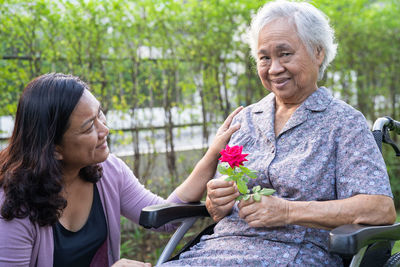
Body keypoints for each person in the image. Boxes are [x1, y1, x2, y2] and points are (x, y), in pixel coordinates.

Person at [162, 1, 396, 266]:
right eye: (265, 58)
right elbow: (218, 209)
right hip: (216, 252)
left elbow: (380, 208)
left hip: (294, 255)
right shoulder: (244, 120)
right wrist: (217, 201)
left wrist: (287, 211)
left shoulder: (344, 123)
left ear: (317, 53)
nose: (274, 68)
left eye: (285, 54)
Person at [0, 73, 243, 267]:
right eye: (88, 128)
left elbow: (163, 219)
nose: (104, 129)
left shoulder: (106, 170)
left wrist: (213, 154)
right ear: (54, 149)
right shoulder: (11, 205)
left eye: (99, 114)